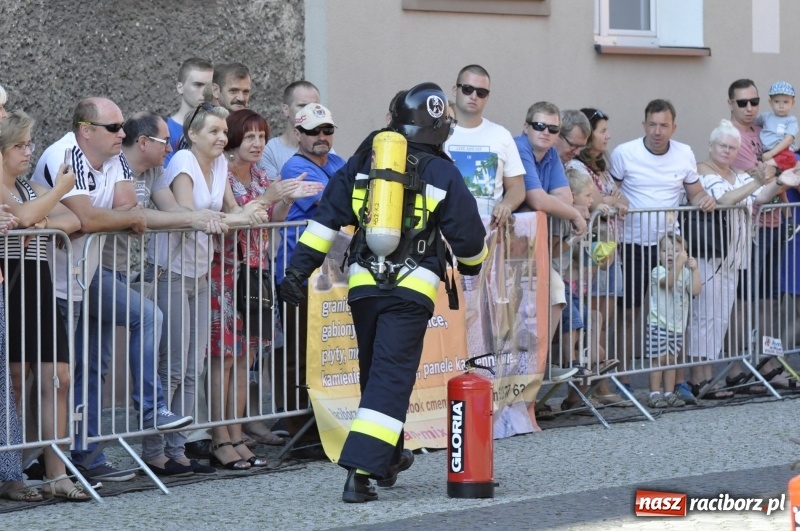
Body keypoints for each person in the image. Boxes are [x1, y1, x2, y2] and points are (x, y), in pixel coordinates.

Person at [279, 82, 487, 503]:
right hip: (410, 291)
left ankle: (389, 458)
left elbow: (326, 220)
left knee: (376, 373)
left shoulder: (363, 162)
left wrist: (297, 272)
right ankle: (360, 471)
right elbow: (469, 238)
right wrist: (471, 266)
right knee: (391, 377)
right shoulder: (441, 171)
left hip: (364, 288)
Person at [87, 112, 227, 477]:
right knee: (144, 329)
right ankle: (145, 427)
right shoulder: (116, 167)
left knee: (104, 365)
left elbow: (171, 211)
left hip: (119, 272)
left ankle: (166, 451)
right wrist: (192, 218)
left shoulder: (154, 172)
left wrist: (198, 217)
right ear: (144, 142)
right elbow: (140, 216)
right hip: (93, 271)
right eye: (166, 141)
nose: (171, 147)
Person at [139, 103, 268, 473]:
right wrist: (242, 216)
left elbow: (232, 210)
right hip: (171, 270)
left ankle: (177, 450)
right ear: (192, 135)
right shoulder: (183, 162)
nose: (222, 137)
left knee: (193, 364)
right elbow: (187, 216)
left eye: (224, 131)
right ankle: (154, 451)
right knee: (173, 364)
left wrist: (250, 212)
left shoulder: (221, 164)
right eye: (214, 131)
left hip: (200, 270)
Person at [31, 97, 153, 482]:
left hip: (86, 277)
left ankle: (83, 452)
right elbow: (86, 218)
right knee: (51, 377)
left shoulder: (115, 158)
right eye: (114, 127)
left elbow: (128, 207)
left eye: (123, 126)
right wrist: (113, 219)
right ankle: (38, 460)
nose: (123, 133)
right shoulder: (64, 154)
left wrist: (110, 218)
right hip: (49, 281)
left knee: (88, 366)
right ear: (86, 130)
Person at [206, 108, 323, 468]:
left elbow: (273, 220)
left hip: (257, 272)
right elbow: (236, 217)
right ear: (234, 139)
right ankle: (220, 438)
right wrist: (272, 196)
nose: (258, 143)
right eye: (250, 136)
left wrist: (286, 198)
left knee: (246, 358)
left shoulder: (260, 174)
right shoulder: (221, 172)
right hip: (225, 273)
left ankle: (237, 434)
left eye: (262, 136)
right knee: (224, 359)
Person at [0, 111, 89, 500]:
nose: (27, 152)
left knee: (59, 376)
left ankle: (57, 473)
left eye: (29, 144)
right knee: (15, 380)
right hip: (11, 282)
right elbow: (23, 215)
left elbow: (71, 220)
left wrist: (40, 222)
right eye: (19, 145)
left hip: (38, 282)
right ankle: (11, 473)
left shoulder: (30, 186)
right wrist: (57, 193)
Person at [609, 99, 715, 403]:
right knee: (629, 313)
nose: (657, 131)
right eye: (652, 125)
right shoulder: (624, 153)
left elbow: (695, 192)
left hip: (671, 249)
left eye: (664, 125)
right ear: (644, 125)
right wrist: (616, 203)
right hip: (632, 244)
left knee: (676, 313)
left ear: (674, 127)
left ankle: (677, 383)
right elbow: (611, 190)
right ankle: (624, 380)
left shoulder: (684, 153)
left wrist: (705, 200)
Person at [699, 79, 797, 390]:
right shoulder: (732, 136)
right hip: (747, 229)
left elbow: (774, 170)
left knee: (768, 300)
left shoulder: (762, 129)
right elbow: (757, 176)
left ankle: (767, 361)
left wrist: (777, 173)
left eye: (754, 101)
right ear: (731, 104)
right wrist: (777, 171)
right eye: (742, 102)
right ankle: (737, 367)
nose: (750, 107)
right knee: (741, 301)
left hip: (774, 222)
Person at [686, 119, 785, 398]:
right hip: (710, 254)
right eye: (722, 146)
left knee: (719, 318)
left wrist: (780, 181)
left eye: (732, 147)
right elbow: (725, 200)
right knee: (704, 317)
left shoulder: (739, 175)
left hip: (734, 256)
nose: (726, 151)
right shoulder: (702, 172)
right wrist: (757, 180)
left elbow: (760, 196)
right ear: (710, 146)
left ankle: (708, 377)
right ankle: (699, 378)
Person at [274, 102, 345, 457]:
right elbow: (338, 203)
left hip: (327, 278)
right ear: (298, 134)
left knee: (323, 355)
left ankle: (323, 427)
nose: (321, 136)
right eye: (313, 131)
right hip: (297, 274)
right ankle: (298, 434)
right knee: (298, 355)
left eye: (327, 130)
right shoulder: (295, 167)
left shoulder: (336, 161)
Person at [513, 101, 585, 393]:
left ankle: (537, 365)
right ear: (526, 127)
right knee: (512, 313)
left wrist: (559, 205)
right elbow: (538, 199)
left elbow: (564, 196)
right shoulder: (519, 148)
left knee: (557, 293)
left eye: (552, 129)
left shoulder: (551, 154)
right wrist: (575, 214)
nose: (546, 132)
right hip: (506, 247)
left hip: (532, 249)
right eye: (539, 126)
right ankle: (521, 370)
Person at [566, 108, 629, 394]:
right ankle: (583, 390)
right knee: (589, 323)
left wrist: (612, 201)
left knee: (603, 323)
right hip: (591, 252)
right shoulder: (577, 167)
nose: (608, 136)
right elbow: (598, 203)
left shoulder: (602, 167)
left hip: (610, 250)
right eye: (602, 131)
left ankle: (598, 386)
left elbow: (621, 200)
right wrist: (609, 201)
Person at [557, 168, 618, 413]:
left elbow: (601, 263)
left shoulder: (584, 219)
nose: (592, 201)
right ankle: (570, 362)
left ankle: (583, 378)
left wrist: (599, 230)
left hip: (573, 289)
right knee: (574, 319)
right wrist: (577, 234)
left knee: (594, 319)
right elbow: (559, 253)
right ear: (572, 196)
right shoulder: (562, 220)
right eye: (588, 196)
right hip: (559, 287)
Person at [445, 64, 524, 227]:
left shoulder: (502, 135)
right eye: (467, 89)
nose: (474, 96)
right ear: (455, 90)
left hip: (488, 232)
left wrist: (507, 205)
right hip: (444, 230)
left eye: (481, 92)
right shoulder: (438, 133)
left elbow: (517, 186)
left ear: (487, 97)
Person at [646, 233, 700, 408]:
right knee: (658, 359)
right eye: (665, 250)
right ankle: (654, 393)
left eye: (675, 250)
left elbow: (695, 291)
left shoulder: (685, 273)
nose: (670, 254)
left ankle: (669, 393)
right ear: (659, 255)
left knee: (671, 360)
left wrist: (695, 270)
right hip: (658, 324)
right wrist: (678, 263)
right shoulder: (658, 271)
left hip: (677, 327)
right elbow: (668, 283)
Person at [259, 80, 322, 180]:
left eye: (314, 107)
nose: (309, 111)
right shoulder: (270, 151)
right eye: (302, 106)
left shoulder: (323, 145)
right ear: (286, 110)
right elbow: (271, 189)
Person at [165, 57, 214, 166]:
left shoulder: (221, 130)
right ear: (180, 87)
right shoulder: (164, 129)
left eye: (209, 86)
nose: (205, 92)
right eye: (198, 85)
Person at [756, 81, 799, 172]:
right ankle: (770, 164)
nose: (781, 106)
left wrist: (771, 153)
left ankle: (768, 163)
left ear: (793, 103)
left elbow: (788, 140)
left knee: (791, 158)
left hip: (782, 150)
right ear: (770, 102)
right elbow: (752, 124)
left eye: (786, 102)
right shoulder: (765, 117)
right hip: (765, 150)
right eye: (777, 102)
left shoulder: (791, 120)